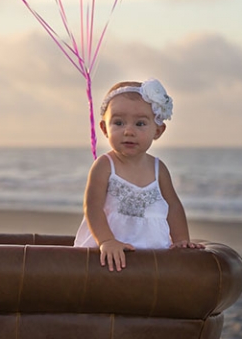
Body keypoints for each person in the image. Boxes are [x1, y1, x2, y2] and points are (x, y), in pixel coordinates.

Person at [74, 78, 203, 271]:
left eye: (140, 124)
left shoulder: (158, 168)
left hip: (151, 251)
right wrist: (107, 241)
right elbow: (92, 207)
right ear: (104, 128)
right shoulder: (105, 165)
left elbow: (173, 207)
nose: (128, 131)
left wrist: (181, 240)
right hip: (110, 250)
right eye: (118, 122)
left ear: (157, 131)